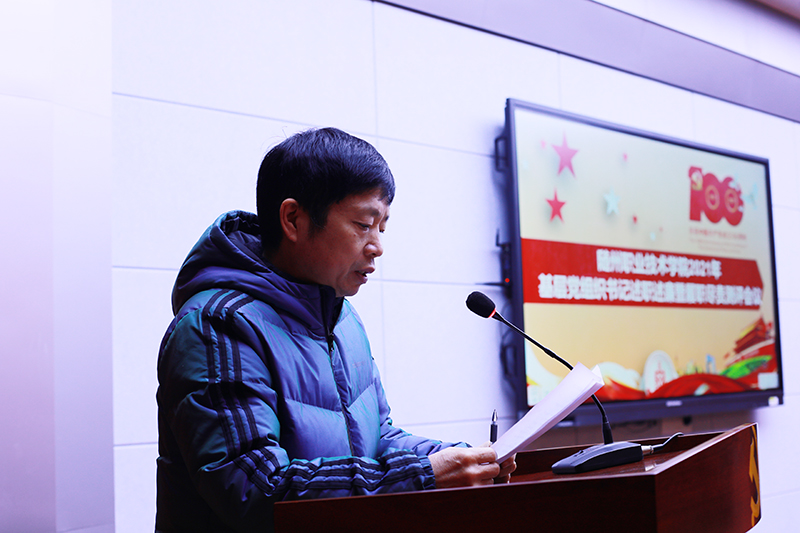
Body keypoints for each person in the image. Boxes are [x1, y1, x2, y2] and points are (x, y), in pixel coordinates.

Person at [155, 127, 515, 532]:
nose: (377, 245)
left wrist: (461, 458)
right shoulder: (217, 326)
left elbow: (377, 440)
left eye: (382, 227)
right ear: (293, 219)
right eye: (363, 224)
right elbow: (256, 492)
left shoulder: (342, 319)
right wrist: (424, 475)